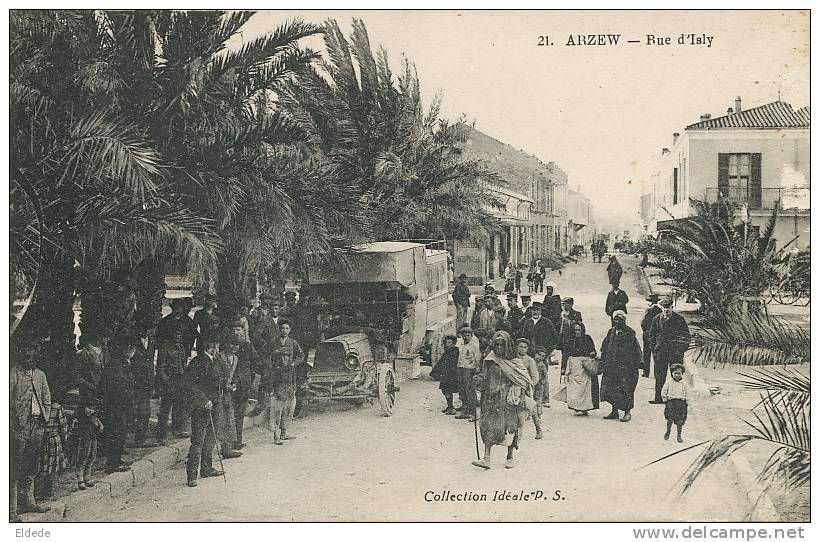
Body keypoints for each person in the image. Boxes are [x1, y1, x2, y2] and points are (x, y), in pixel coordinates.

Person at [471, 331, 534, 470]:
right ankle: (486, 458)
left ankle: (510, 457)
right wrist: (478, 380)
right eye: (497, 344)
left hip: (509, 400)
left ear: (507, 346)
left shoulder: (515, 362)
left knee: (510, 427)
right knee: (488, 426)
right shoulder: (490, 359)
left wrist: (521, 397)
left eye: (502, 344)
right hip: (491, 399)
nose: (499, 347)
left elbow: (523, 381)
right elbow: (484, 377)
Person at [10, 340, 52, 519]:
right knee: (13, 468)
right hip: (19, 428)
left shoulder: (40, 375)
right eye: (26, 356)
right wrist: (12, 425)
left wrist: (45, 418)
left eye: (33, 356)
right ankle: (11, 510)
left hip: (37, 426)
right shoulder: (13, 374)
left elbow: (47, 398)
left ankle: (29, 503)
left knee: (31, 466)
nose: (30, 359)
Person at [183, 337, 225, 487]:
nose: (214, 349)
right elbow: (189, 385)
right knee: (198, 441)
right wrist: (203, 400)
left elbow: (221, 378)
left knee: (211, 438)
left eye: (216, 345)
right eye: (211, 346)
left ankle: (206, 468)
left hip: (216, 404)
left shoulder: (217, 361)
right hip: (202, 407)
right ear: (205, 346)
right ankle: (192, 475)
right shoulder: (197, 362)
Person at [264, 319, 305, 445]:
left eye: (287, 328)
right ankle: (276, 435)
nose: (284, 330)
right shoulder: (273, 342)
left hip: (289, 375)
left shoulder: (293, 342)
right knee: (277, 408)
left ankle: (284, 432)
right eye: (282, 328)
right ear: (279, 329)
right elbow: (265, 356)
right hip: (277, 376)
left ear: (290, 330)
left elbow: (301, 355)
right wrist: (271, 366)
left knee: (289, 407)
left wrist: (293, 363)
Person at [600, 311, 642, 422]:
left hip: (625, 368)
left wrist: (638, 363)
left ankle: (627, 412)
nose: (617, 322)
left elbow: (636, 349)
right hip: (612, 366)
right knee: (612, 388)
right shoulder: (611, 331)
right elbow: (605, 347)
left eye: (620, 319)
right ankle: (614, 411)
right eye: (616, 319)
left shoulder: (630, 333)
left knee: (626, 389)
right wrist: (602, 361)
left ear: (624, 320)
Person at [102, 338, 136, 474]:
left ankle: (116, 460)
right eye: (129, 348)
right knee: (116, 433)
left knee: (120, 433)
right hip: (117, 405)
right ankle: (112, 464)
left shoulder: (124, 363)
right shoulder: (117, 365)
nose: (131, 351)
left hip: (122, 405)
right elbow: (118, 387)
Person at [224, 320, 259, 450]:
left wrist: (249, 378)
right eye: (233, 330)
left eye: (238, 330)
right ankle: (228, 443)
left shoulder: (247, 346)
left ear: (243, 331)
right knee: (229, 413)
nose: (235, 332)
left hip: (243, 384)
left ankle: (238, 440)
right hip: (231, 382)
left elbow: (255, 362)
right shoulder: (226, 345)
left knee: (240, 413)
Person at [649, 298, 691, 405]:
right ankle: (658, 398)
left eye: (668, 308)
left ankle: (676, 398)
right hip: (660, 353)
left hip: (675, 353)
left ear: (672, 308)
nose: (666, 310)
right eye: (664, 308)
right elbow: (651, 335)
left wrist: (681, 349)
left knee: (676, 375)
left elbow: (686, 336)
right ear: (661, 308)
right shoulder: (656, 319)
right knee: (659, 376)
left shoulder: (679, 319)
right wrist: (654, 349)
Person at [156, 327, 190, 443]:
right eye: (175, 333)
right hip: (169, 380)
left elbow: (183, 364)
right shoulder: (165, 347)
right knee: (165, 408)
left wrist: (185, 378)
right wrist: (166, 382)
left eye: (180, 334)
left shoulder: (181, 347)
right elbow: (160, 367)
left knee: (179, 406)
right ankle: (161, 434)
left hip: (179, 379)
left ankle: (177, 430)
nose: (177, 336)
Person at [562, 321, 599, 416]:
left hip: (584, 366)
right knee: (574, 388)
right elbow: (565, 353)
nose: (577, 332)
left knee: (585, 388)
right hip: (573, 366)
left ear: (582, 330)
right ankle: (576, 407)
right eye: (574, 330)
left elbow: (593, 350)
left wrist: (592, 354)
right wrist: (563, 367)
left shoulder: (587, 339)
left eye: (579, 330)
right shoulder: (569, 340)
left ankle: (584, 408)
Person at [214, 339, 242, 459]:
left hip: (228, 393)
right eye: (232, 344)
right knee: (217, 420)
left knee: (229, 418)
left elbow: (233, 375)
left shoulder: (235, 358)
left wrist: (233, 384)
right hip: (217, 392)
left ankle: (226, 448)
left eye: (236, 345)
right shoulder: (219, 357)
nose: (234, 347)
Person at [67, 397, 103, 491]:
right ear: (83, 408)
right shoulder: (79, 419)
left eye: (93, 409)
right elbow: (73, 430)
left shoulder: (95, 419)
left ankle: (87, 477)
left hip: (92, 440)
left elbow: (100, 429)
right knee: (82, 458)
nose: (90, 410)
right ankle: (80, 479)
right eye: (88, 408)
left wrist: (99, 427)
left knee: (91, 457)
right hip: (83, 441)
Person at [36, 401, 68, 501]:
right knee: (53, 465)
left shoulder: (38, 405)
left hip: (40, 438)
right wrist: (64, 437)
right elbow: (63, 426)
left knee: (42, 464)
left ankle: (39, 492)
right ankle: (50, 491)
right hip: (52, 439)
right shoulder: (57, 407)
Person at [130, 330, 157, 447]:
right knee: (134, 411)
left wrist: (153, 381)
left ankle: (141, 438)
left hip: (147, 382)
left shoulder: (151, 341)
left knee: (146, 411)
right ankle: (133, 439)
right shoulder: (133, 341)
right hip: (135, 381)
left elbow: (150, 362)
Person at [515, 338, 543, 440]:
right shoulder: (512, 358)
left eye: (525, 347)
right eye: (520, 347)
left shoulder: (529, 360)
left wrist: (528, 385)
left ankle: (538, 428)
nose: (522, 349)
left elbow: (535, 377)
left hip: (526, 388)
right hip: (514, 387)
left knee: (530, 406)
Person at [455, 326, 482, 421]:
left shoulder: (474, 346)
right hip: (461, 368)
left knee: (470, 391)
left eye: (468, 335)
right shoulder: (461, 345)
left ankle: (473, 413)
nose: (466, 337)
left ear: (471, 335)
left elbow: (478, 358)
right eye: (464, 335)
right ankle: (465, 410)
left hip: (469, 369)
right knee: (462, 390)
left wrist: (477, 369)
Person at [431, 335, 460, 415]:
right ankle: (449, 406)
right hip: (446, 374)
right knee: (445, 390)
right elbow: (441, 362)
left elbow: (453, 363)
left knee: (448, 390)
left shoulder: (455, 351)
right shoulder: (447, 351)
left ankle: (451, 407)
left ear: (454, 343)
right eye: (446, 342)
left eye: (449, 342)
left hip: (451, 374)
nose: (447, 344)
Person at [663, 364, 689, 443]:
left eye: (679, 373)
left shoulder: (684, 384)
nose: (677, 375)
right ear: (672, 373)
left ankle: (679, 435)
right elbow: (664, 390)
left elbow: (687, 393)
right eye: (675, 373)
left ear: (682, 374)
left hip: (681, 403)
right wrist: (665, 399)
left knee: (680, 420)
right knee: (670, 418)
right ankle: (668, 431)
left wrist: (686, 401)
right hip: (671, 402)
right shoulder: (669, 382)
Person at [640, 294, 663, 378]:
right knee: (656, 354)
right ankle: (656, 373)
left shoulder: (649, 311)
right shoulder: (660, 311)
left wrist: (645, 331)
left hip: (648, 335)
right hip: (656, 336)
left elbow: (643, 323)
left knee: (646, 354)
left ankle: (646, 372)